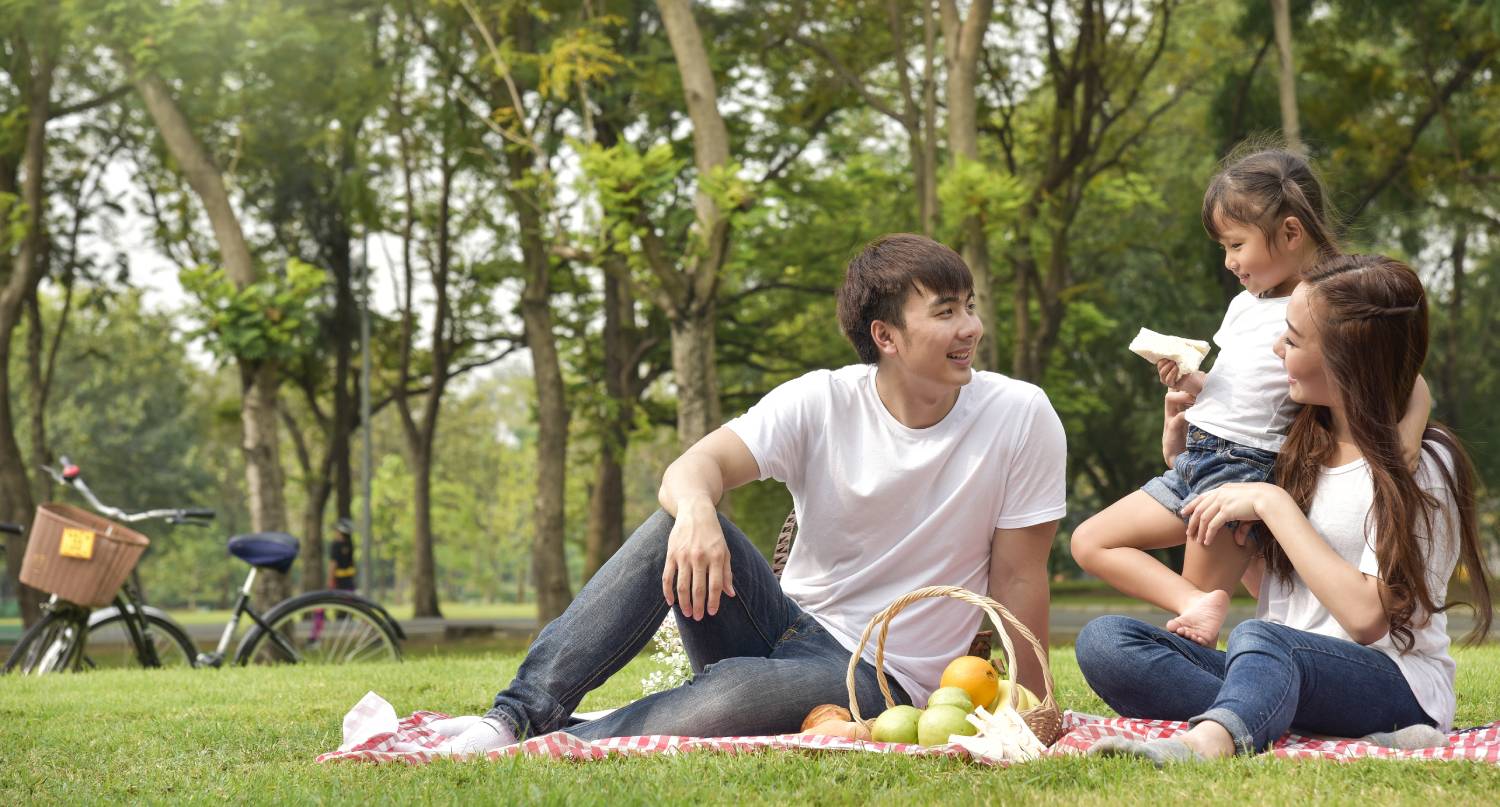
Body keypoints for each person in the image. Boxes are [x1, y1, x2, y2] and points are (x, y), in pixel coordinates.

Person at [441, 234, 1067, 755]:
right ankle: (514, 717)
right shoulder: (821, 399)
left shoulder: (1019, 415)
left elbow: (1017, 579)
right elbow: (694, 466)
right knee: (673, 525)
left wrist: (1033, 712)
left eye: (970, 306)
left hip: (881, 677)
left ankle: (546, 746)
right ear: (886, 336)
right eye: (946, 311)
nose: (972, 328)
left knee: (735, 693)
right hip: (784, 623)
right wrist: (694, 512)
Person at [1076, 254, 1493, 764]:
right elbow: (1275, 590)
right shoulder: (1295, 444)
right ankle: (1278, 717)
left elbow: (1367, 620)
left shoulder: (1423, 464)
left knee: (1263, 638)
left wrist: (1273, 505)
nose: (1276, 348)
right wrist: (1192, 460)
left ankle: (1211, 742)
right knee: (1107, 642)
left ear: (1348, 360)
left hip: (1393, 681)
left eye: (1292, 340)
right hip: (1283, 664)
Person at [1069, 148, 1431, 646]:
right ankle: (1199, 612)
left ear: (1289, 233)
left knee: (1192, 636)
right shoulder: (1245, 303)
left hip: (1243, 469)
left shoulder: (1329, 302)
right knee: (1090, 541)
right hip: (1197, 460)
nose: (1229, 261)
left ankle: (1217, 667)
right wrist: (1193, 384)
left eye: (1236, 244)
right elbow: (1241, 387)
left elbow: (1405, 376)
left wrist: (1406, 437)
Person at [328, 517, 357, 592]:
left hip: (338, 581)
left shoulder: (336, 545)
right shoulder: (350, 544)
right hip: (349, 580)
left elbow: (333, 563)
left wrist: (330, 580)